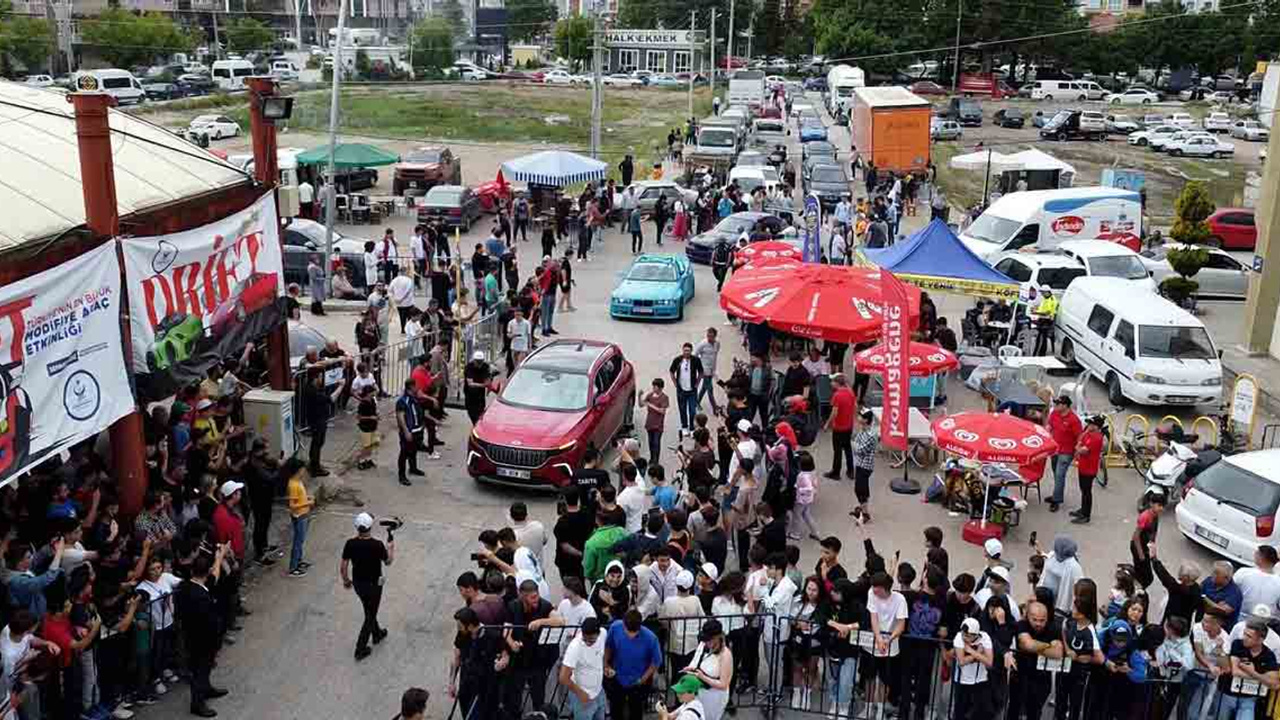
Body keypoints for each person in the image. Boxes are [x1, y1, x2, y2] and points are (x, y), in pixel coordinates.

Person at [341, 513, 393, 661]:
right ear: (370, 527)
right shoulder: (377, 545)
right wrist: (391, 547)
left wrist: (346, 581)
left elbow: (343, 566)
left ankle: (377, 634)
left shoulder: (350, 543)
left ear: (357, 527)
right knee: (370, 615)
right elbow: (388, 561)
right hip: (374, 585)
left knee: (369, 608)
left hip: (358, 584)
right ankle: (360, 649)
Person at [604, 609, 663, 720]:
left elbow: (656, 662)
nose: (631, 635)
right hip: (617, 678)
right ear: (623, 624)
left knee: (636, 712)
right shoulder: (615, 627)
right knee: (615, 711)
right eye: (628, 631)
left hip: (638, 683)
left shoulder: (651, 638)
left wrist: (643, 679)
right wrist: (606, 665)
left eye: (634, 632)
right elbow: (608, 646)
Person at [1216, 619, 1280, 718]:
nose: (1244, 638)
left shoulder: (1269, 655)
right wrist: (1262, 678)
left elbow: (1275, 684)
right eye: (1244, 634)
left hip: (1249, 699)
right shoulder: (1238, 644)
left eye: (1249, 636)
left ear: (1260, 639)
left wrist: (1252, 672)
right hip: (1228, 694)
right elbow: (1236, 672)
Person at [561, 616, 608, 720]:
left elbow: (603, 652)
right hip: (581, 696)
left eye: (591, 640)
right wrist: (580, 693)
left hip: (598, 692)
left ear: (598, 633)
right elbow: (563, 677)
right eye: (585, 639)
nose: (587, 643)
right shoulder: (575, 647)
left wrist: (605, 666)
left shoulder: (603, 633)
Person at [1046, 396, 1082, 513]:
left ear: (1065, 406)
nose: (1055, 406)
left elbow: (1079, 436)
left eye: (1058, 404)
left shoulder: (1074, 420)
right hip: (1054, 449)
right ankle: (1057, 494)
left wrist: (1077, 451)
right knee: (1055, 473)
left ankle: (1056, 500)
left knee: (1060, 474)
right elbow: (1049, 426)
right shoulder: (1054, 414)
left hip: (1066, 452)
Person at [283, 457, 314, 577]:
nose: (304, 471)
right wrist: (308, 503)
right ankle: (293, 567)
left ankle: (299, 561)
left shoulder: (297, 482)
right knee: (298, 541)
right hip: (299, 515)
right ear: (297, 470)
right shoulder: (293, 485)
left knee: (300, 540)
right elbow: (292, 505)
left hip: (303, 514)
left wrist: (307, 499)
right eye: (302, 469)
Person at [824, 374, 857, 481]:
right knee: (848, 448)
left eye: (832, 381)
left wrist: (827, 423)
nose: (830, 383)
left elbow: (834, 412)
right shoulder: (851, 392)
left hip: (839, 427)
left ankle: (836, 472)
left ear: (837, 383)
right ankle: (851, 471)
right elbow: (855, 407)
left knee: (837, 450)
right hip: (849, 426)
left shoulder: (837, 395)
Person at [669, 344, 704, 436]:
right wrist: (675, 383)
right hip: (681, 390)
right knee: (682, 409)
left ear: (691, 351)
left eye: (688, 350)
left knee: (692, 410)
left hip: (692, 390)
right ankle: (684, 426)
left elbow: (701, 372)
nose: (686, 352)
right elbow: (671, 371)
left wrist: (697, 383)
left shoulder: (696, 360)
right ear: (682, 350)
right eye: (685, 350)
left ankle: (692, 427)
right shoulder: (678, 360)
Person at [1132, 492, 1165, 589]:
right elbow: (1136, 537)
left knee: (1145, 575)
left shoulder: (1156, 516)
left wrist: (1153, 549)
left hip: (1146, 546)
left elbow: (1153, 533)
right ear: (1151, 504)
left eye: (1162, 506)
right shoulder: (1145, 517)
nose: (1161, 508)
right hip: (1138, 547)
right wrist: (1141, 554)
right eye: (1159, 505)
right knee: (1146, 576)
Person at [850, 409, 877, 522]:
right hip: (860, 463)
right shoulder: (863, 430)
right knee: (861, 488)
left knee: (860, 489)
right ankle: (862, 508)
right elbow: (855, 440)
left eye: (861, 416)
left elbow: (859, 449)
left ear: (866, 420)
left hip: (865, 466)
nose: (858, 417)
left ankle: (865, 514)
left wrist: (853, 444)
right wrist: (854, 444)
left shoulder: (870, 435)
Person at [641, 379, 670, 466]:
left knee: (656, 443)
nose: (653, 388)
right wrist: (640, 396)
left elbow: (662, 411)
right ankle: (652, 458)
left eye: (655, 386)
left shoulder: (665, 398)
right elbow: (641, 404)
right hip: (649, 423)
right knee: (650, 442)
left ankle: (656, 460)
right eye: (653, 386)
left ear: (660, 388)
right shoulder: (650, 395)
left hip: (658, 425)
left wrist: (650, 405)